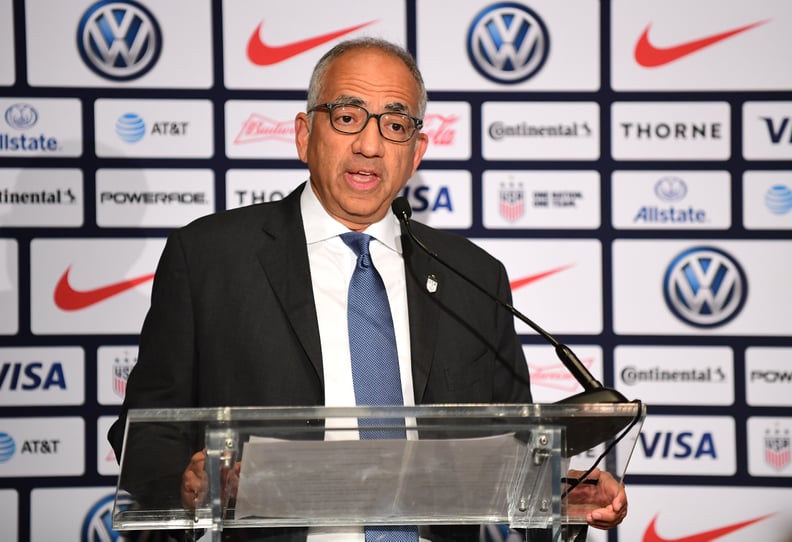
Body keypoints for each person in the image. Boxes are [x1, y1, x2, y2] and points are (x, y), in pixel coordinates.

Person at [108, 37, 627, 541]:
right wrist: (187, 482)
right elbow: (145, 433)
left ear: (417, 150)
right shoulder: (209, 258)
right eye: (348, 117)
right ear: (304, 134)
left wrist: (558, 494)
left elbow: (510, 451)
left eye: (395, 124)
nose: (370, 144)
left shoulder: (474, 276)